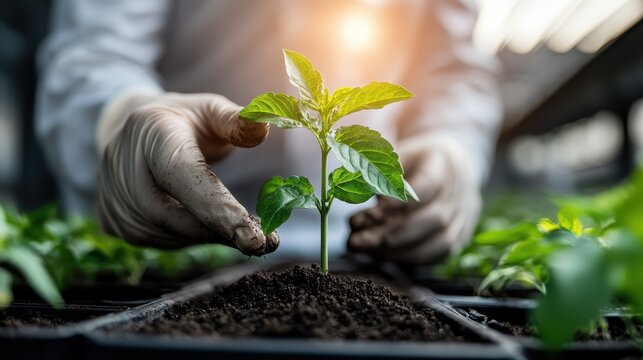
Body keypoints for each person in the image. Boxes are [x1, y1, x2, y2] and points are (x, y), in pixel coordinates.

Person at [36, 0, 502, 264]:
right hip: (176, 240)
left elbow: (456, 67)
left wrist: (452, 143)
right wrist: (124, 117)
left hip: (362, 242)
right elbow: (93, 53)